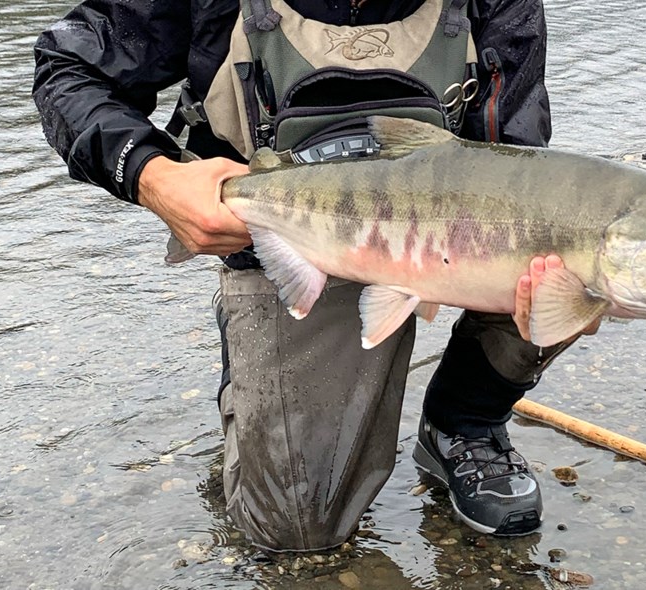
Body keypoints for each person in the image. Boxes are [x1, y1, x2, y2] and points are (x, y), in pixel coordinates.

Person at [33, 0, 593, 552]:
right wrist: (152, 176)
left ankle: (464, 422)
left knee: (583, 257)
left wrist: (557, 287)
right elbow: (67, 67)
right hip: (290, 244)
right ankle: (251, 357)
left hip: (451, 232)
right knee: (297, 528)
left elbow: (522, 165)